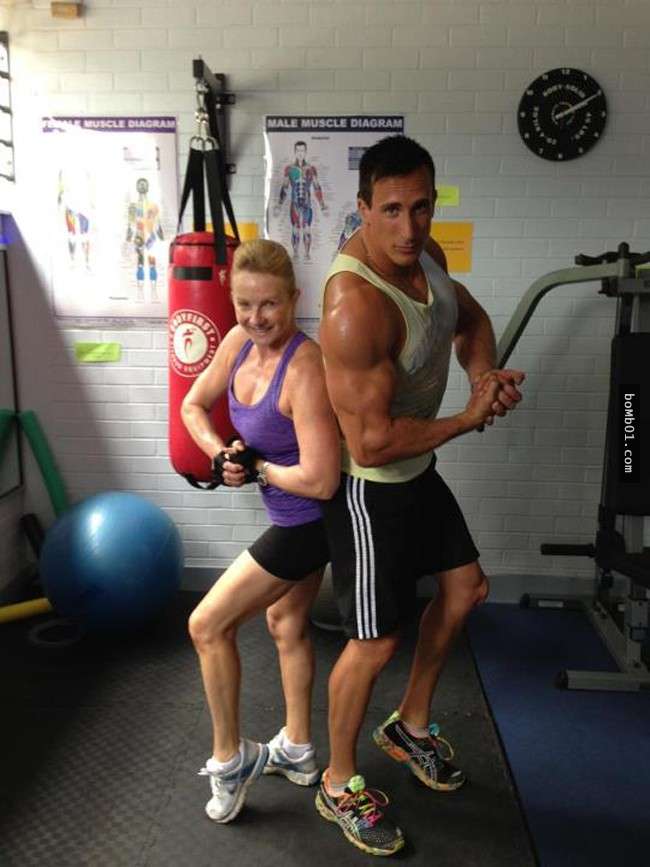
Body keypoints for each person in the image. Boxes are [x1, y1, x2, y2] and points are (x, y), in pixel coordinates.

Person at [316, 135, 525, 856]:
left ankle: (409, 725)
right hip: (369, 488)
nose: (409, 228)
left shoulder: (427, 258)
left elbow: (471, 321)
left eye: (421, 207)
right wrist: (467, 418)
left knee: (465, 589)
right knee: (374, 642)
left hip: (417, 470)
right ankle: (337, 781)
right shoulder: (355, 307)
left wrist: (483, 377)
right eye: (392, 210)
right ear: (363, 208)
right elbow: (372, 444)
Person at [182, 238, 340, 825]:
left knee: (206, 625)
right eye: (244, 305)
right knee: (285, 622)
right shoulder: (236, 343)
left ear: (294, 298)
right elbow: (193, 407)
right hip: (288, 515)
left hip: (312, 524)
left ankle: (231, 759)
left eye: (269, 304)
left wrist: (256, 469)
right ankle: (297, 748)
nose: (256, 318)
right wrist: (221, 453)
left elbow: (321, 480)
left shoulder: (305, 367)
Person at [274, 141, 328, 260]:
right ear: (295, 152)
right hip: (294, 204)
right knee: (295, 229)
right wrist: (279, 204)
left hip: (307, 204)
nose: (300, 153)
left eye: (302, 150)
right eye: (298, 150)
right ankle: (295, 253)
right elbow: (285, 186)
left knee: (307, 229)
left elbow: (316, 186)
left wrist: (322, 205)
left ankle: (307, 254)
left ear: (305, 152)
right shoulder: (289, 169)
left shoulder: (311, 169)